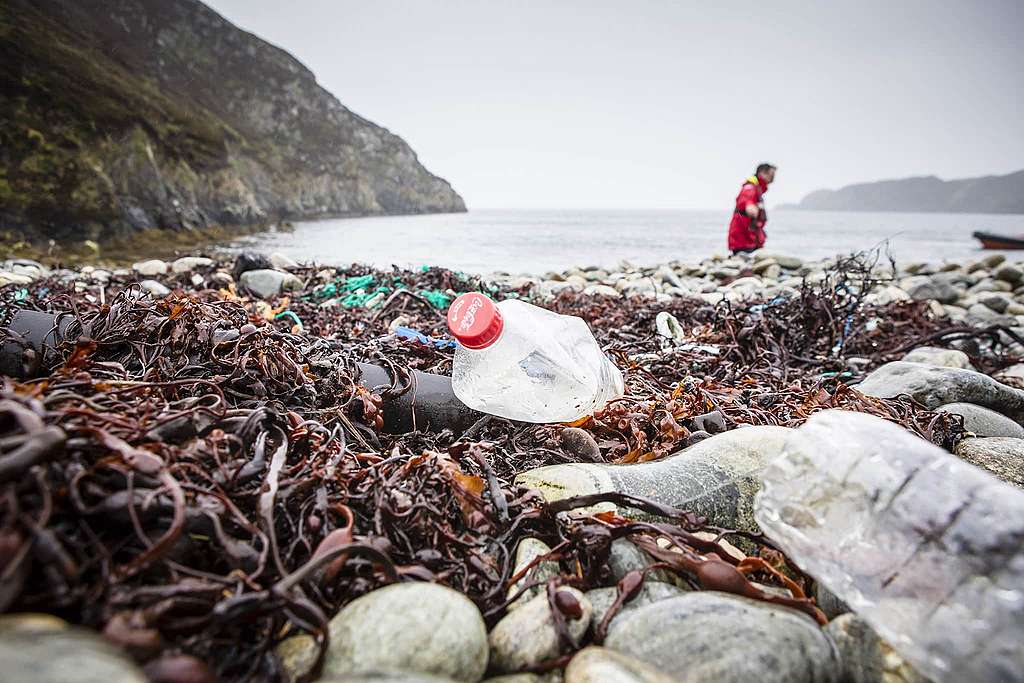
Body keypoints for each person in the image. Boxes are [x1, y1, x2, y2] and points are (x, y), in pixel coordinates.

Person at [727, 163, 776, 254]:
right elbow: (749, 206)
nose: (772, 179)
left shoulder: (756, 188)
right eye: (771, 175)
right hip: (744, 240)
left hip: (750, 239)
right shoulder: (750, 188)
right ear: (762, 173)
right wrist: (753, 208)